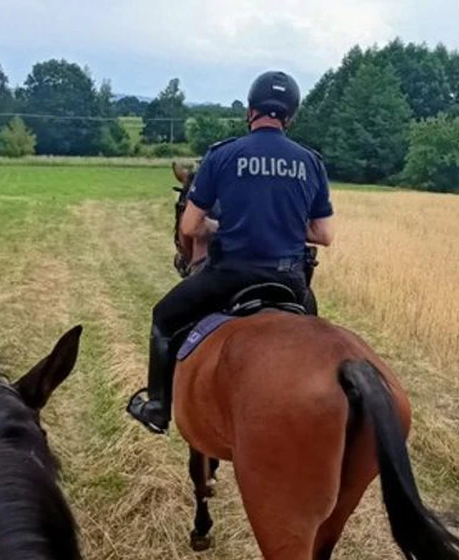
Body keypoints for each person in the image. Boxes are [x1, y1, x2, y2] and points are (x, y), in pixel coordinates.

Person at [126, 70, 335, 434]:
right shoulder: (310, 161)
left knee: (162, 318)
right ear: (291, 116)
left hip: (229, 275)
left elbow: (190, 228)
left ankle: (158, 407)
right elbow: (324, 234)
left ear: (250, 111)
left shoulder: (222, 155)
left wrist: (222, 225)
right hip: (291, 280)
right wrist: (281, 221)